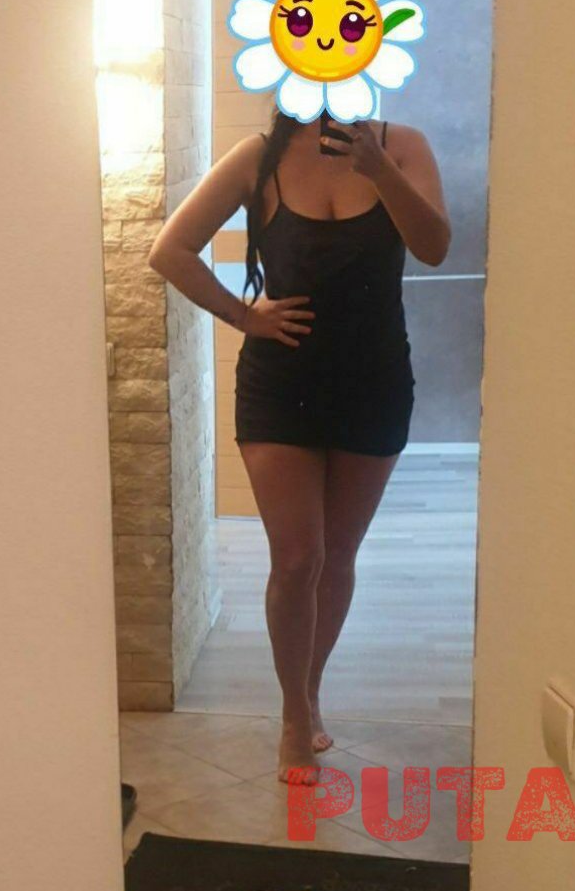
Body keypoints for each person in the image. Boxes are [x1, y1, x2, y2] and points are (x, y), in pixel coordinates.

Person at [148, 106, 449, 784]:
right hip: (281, 383)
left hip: (373, 380)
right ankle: (292, 715)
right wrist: (242, 315)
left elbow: (434, 246)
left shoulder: (403, 146)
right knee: (297, 557)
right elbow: (170, 249)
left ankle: (310, 689)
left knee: (337, 554)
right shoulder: (259, 156)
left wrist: (380, 170)